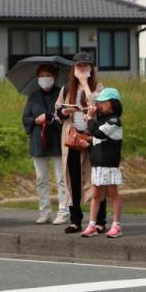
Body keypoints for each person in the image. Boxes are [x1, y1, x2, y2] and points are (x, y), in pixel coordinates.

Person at [56, 53, 106, 234]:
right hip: (71, 139)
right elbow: (57, 112)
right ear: (74, 68)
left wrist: (84, 83)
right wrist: (65, 111)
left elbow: (98, 107)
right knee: (72, 179)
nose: (83, 69)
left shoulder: (98, 87)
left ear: (92, 69)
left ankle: (100, 220)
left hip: (92, 138)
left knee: (97, 179)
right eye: (80, 66)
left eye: (87, 66)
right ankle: (75, 220)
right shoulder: (66, 89)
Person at [21, 63, 69, 224]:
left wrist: (49, 117)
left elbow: (64, 117)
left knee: (61, 178)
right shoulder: (33, 96)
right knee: (41, 179)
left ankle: (63, 211)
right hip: (38, 141)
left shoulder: (62, 93)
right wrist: (36, 119)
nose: (44, 79)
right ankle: (44, 212)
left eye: (47, 75)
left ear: (54, 77)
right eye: (41, 76)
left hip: (57, 140)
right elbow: (25, 118)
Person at [81, 88, 124, 238]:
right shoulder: (100, 119)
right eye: (99, 102)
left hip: (109, 163)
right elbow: (95, 135)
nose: (100, 105)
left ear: (112, 103)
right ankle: (92, 224)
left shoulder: (114, 121)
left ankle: (116, 225)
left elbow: (98, 132)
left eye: (103, 102)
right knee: (96, 195)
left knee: (113, 194)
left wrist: (90, 117)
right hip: (97, 163)